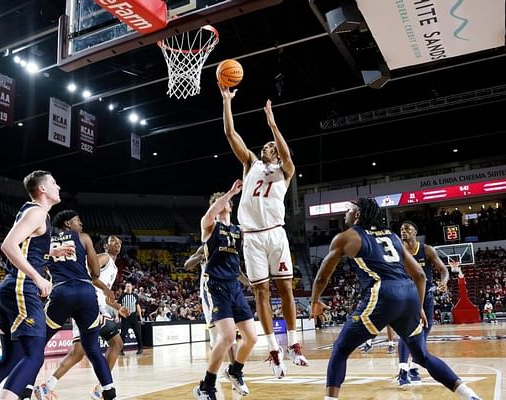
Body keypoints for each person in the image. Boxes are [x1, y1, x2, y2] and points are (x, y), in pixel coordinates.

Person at [310, 198, 482, 400]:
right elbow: (419, 275)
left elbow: (322, 276)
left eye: (348, 210)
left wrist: (315, 300)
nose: (344, 213)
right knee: (421, 356)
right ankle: (469, 395)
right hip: (409, 293)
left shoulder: (346, 237)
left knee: (340, 348)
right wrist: (417, 307)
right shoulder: (392, 236)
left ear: (357, 215)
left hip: (382, 293)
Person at [219, 82, 307, 377]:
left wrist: (272, 125)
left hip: (276, 234)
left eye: (272, 147)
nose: (267, 147)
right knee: (261, 294)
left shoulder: (286, 171)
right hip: (253, 238)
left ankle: (294, 344)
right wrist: (227, 101)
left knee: (285, 290)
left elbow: (286, 153)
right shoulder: (251, 163)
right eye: (267, 145)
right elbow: (231, 134)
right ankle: (273, 351)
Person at [0, 170, 73, 400]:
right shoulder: (37, 212)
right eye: (54, 183)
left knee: (10, 359)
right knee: (34, 355)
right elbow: (8, 246)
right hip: (21, 287)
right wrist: (37, 278)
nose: (58, 186)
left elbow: (28, 245)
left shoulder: (35, 213)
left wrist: (51, 251)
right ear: (43, 189)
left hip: (10, 288)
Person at [31, 210, 118, 400]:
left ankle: (26, 389)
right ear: (68, 224)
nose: (81, 224)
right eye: (78, 220)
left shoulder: (47, 239)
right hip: (86, 294)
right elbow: (95, 272)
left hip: (61, 292)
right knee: (93, 349)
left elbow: (35, 262)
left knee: (38, 341)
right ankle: (110, 394)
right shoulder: (83, 238)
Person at [193, 181, 258, 399]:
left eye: (227, 202)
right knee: (228, 337)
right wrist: (230, 193)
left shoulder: (238, 231)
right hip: (216, 287)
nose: (224, 204)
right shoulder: (209, 226)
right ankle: (206, 386)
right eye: (219, 203)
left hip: (234, 287)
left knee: (251, 337)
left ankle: (235, 370)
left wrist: (250, 281)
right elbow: (210, 213)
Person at [395, 220, 451, 389]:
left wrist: (444, 281)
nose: (404, 232)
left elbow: (443, 270)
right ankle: (403, 370)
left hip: (426, 296)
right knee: (406, 332)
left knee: (425, 330)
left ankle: (414, 367)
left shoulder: (427, 249)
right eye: (401, 230)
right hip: (406, 295)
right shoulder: (397, 250)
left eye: (407, 229)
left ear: (415, 232)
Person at [118, 282, 144, 356]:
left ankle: (140, 348)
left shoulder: (135, 296)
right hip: (125, 317)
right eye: (127, 286)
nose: (128, 287)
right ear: (125, 288)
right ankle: (121, 350)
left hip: (133, 316)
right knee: (122, 334)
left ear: (132, 287)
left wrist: (141, 317)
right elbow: (118, 307)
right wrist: (118, 316)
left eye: (129, 286)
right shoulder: (122, 296)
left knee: (138, 333)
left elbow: (138, 306)